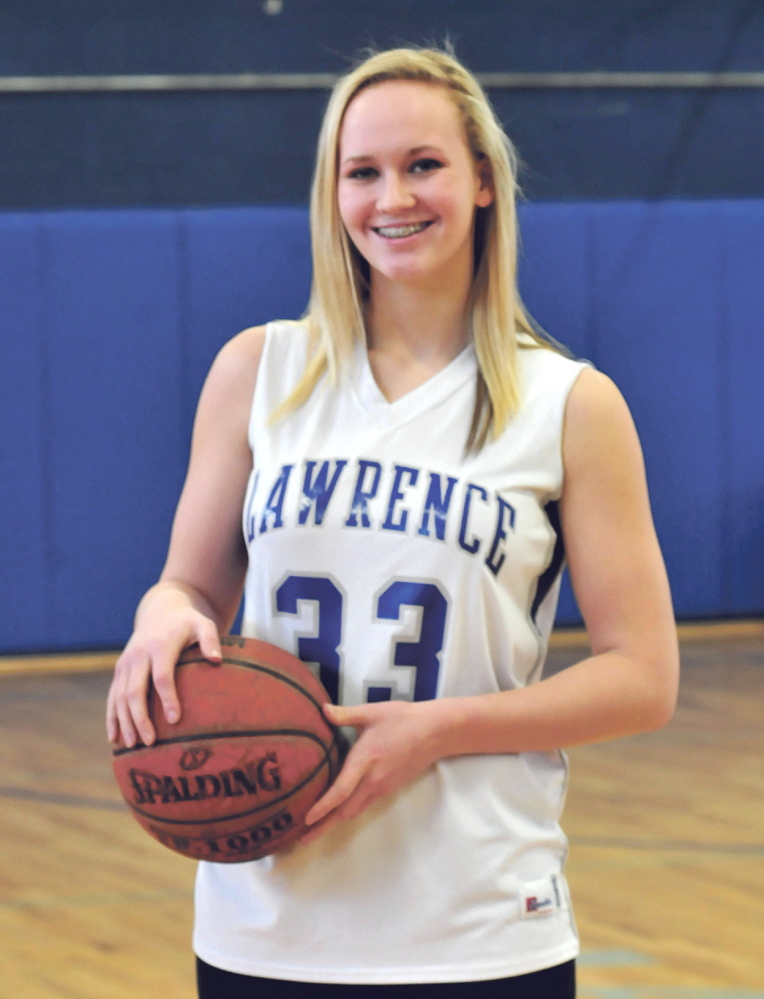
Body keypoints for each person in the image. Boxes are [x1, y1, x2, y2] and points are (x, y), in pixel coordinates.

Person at [107, 46, 679, 999]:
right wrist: (161, 611)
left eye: (423, 164)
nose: (392, 197)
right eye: (361, 171)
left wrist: (439, 729)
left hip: (480, 924)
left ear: (484, 183)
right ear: (332, 194)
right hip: (265, 919)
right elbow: (191, 584)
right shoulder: (260, 371)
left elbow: (644, 677)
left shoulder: (570, 404)